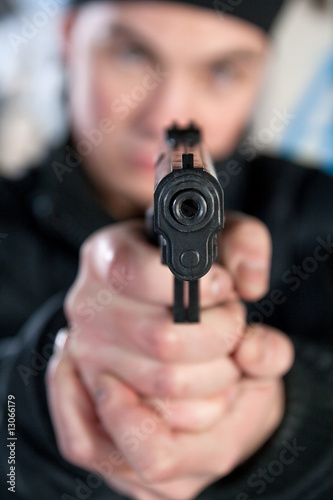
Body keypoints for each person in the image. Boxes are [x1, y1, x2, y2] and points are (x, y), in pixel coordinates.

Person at [0, 1, 332, 499]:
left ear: (262, 72)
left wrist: (287, 425)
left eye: (222, 71)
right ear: (68, 39)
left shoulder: (318, 214)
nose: (165, 116)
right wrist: (37, 407)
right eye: (132, 54)